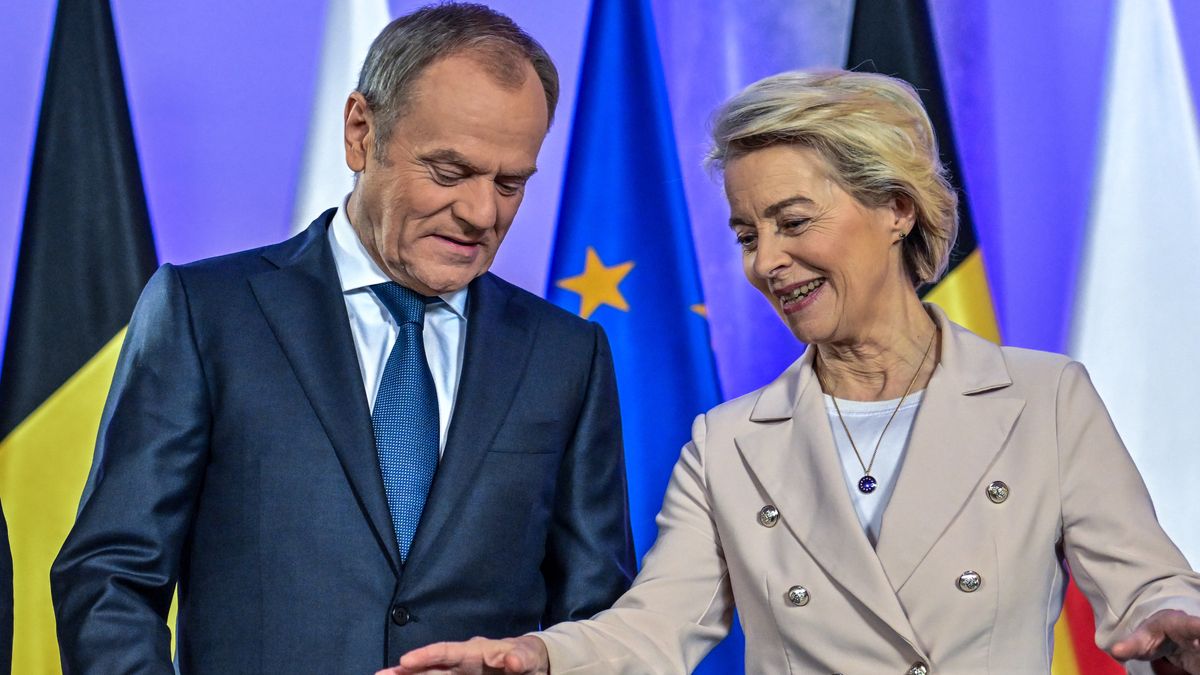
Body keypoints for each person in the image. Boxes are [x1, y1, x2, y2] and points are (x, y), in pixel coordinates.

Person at [388, 70, 1200, 674]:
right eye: (747, 234)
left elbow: (1150, 588)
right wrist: (535, 655)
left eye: (794, 221)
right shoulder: (730, 442)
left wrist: (1175, 623)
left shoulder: (1043, 399)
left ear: (896, 208)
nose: (767, 262)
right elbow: (651, 628)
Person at [50, 4, 636, 673]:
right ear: (362, 132)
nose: (481, 213)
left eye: (509, 183)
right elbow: (111, 575)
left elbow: (597, 616)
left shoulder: (566, 354)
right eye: (449, 171)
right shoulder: (207, 313)